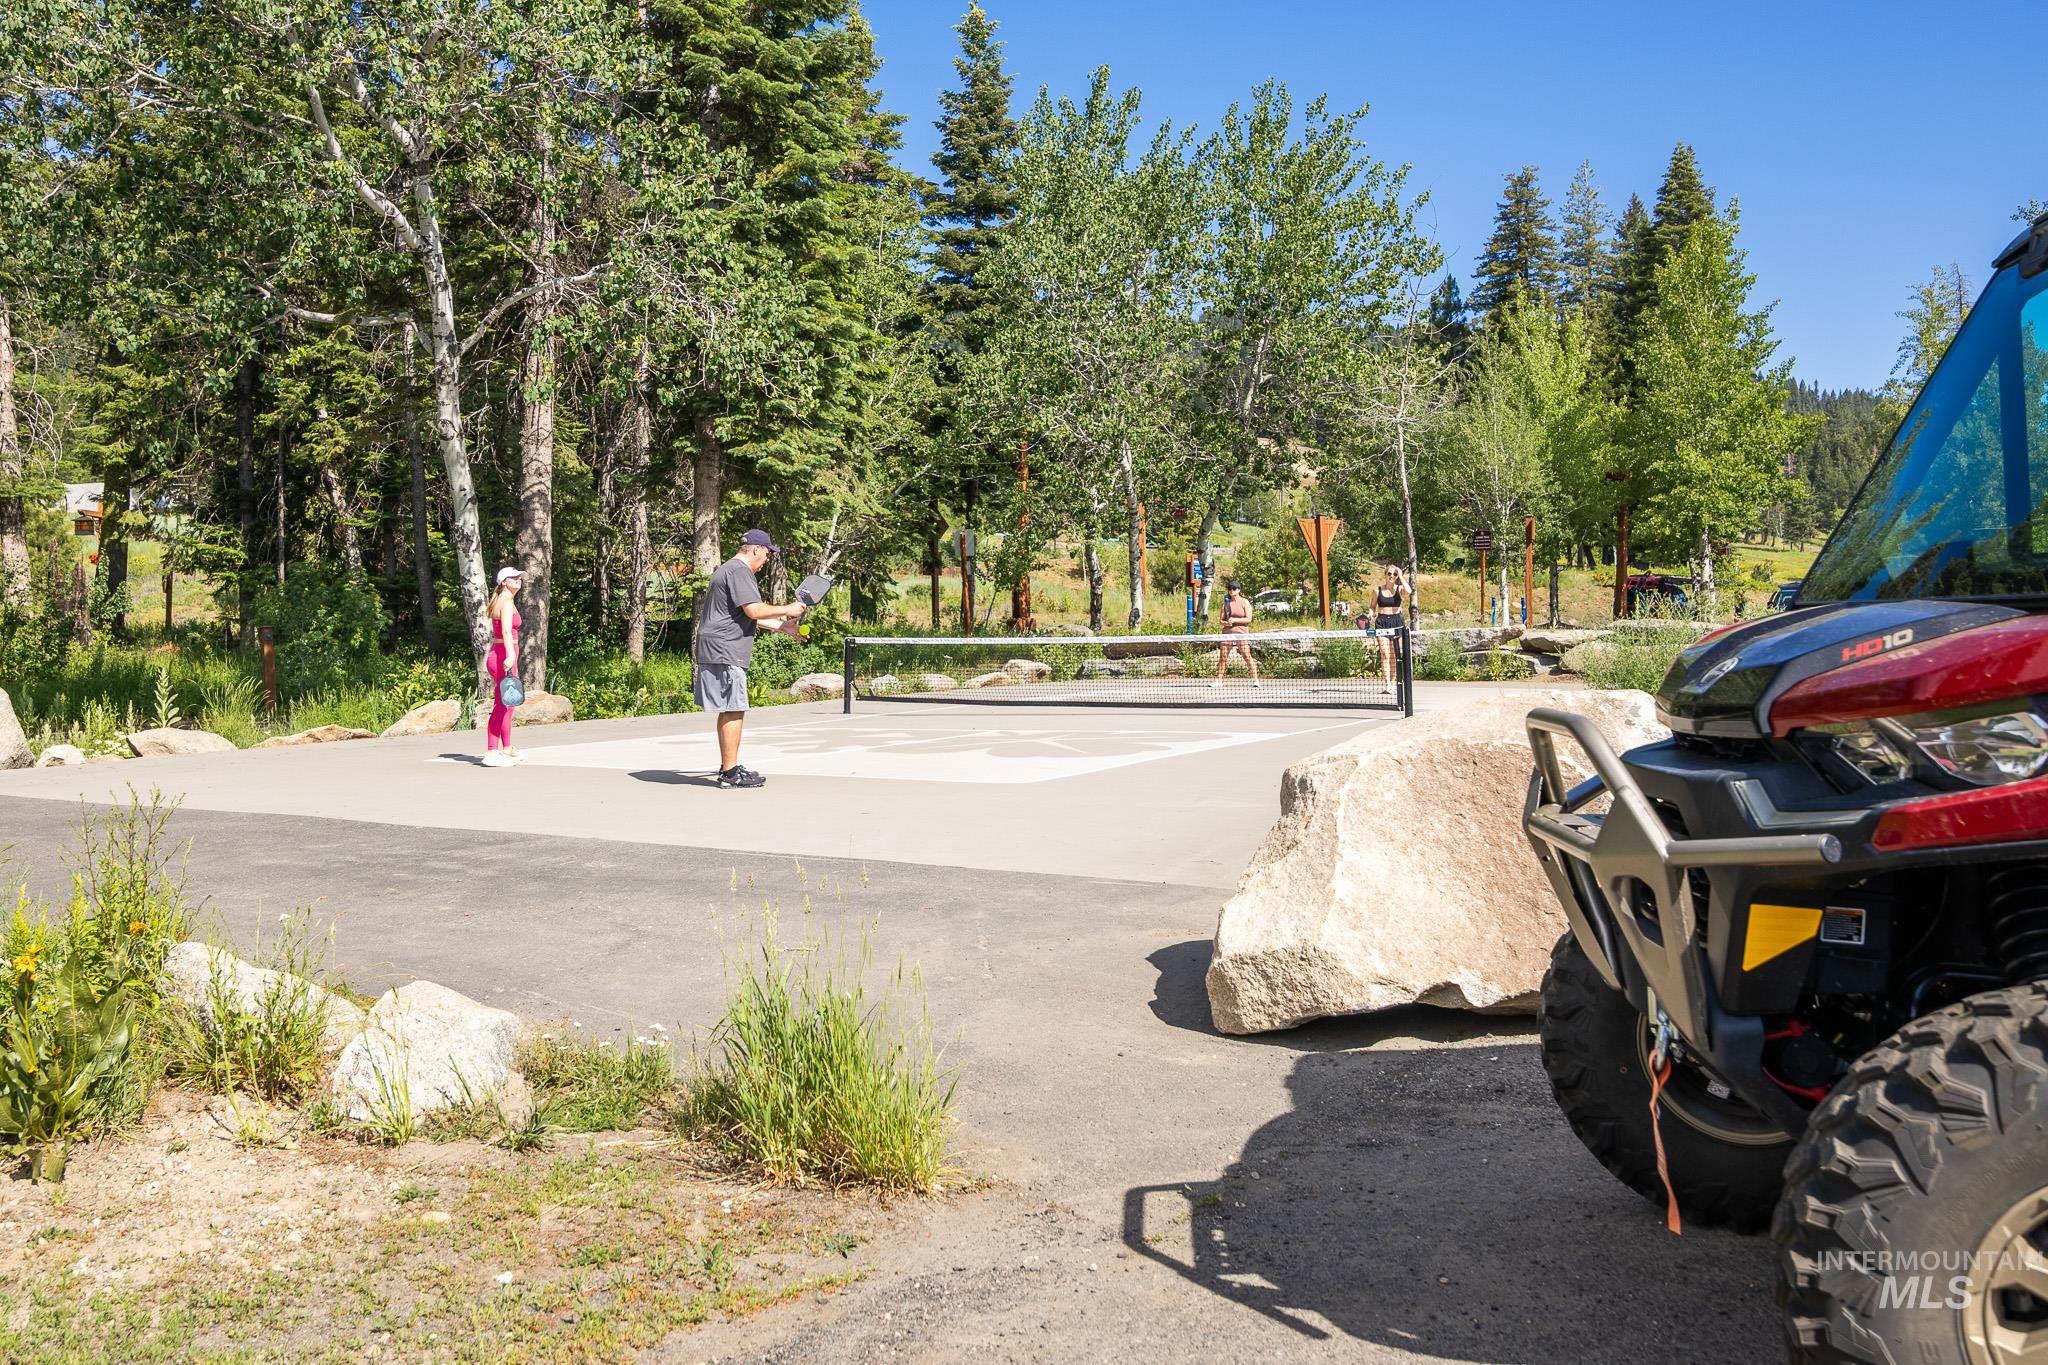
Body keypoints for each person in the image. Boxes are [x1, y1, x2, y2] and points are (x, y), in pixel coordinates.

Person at [693, 528, 807, 788]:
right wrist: (788, 609)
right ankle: (731, 773)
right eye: (766, 554)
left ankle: (727, 767)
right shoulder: (740, 571)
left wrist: (782, 626)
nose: (766, 559)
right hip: (725, 648)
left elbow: (741, 614)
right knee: (734, 708)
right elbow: (753, 609)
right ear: (755, 549)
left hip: (716, 646)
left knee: (730, 708)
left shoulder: (727, 570)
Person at [483, 566, 524, 768]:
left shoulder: (504, 600)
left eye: (519, 577)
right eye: (514, 578)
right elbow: (506, 632)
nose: (519, 580)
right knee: (502, 705)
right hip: (502, 656)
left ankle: (506, 748)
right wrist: (510, 655)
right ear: (504, 582)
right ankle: (491, 752)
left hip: (500, 654)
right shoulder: (506, 601)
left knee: (509, 703)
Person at [1210, 579, 1261, 688]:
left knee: (1247, 656)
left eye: (1234, 588)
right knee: (1222, 657)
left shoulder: (1245, 602)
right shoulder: (1226, 605)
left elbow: (1248, 619)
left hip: (1241, 634)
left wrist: (1235, 620)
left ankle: (1255, 680)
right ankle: (1218, 681)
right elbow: (1221, 621)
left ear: (1238, 590)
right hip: (1227, 634)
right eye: (1229, 589)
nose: (1231, 590)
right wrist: (1227, 622)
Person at [1370, 563, 1410, 686]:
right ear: (1385, 575)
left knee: (1395, 654)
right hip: (1382, 622)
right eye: (1389, 573)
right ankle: (1387, 683)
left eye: (1394, 574)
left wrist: (1401, 576)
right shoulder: (1377, 590)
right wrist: (1370, 615)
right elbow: (1372, 607)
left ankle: (1393, 682)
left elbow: (1409, 591)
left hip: (1396, 622)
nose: (1391, 576)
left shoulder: (1399, 589)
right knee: (1385, 653)